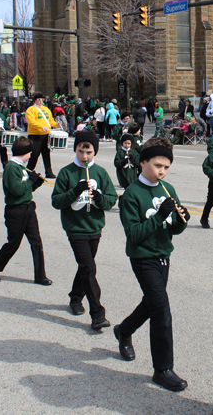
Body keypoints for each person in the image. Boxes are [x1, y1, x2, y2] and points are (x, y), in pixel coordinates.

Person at [116, 137, 190, 392]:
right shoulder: (131, 195)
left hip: (163, 254)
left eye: (166, 167)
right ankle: (163, 369)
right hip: (143, 257)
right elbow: (134, 234)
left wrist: (181, 219)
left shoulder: (166, 188)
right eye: (157, 165)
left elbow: (176, 230)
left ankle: (124, 330)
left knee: (150, 304)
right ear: (143, 162)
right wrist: (160, 215)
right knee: (161, 310)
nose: (162, 171)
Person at [51, 131, 118, 330]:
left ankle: (75, 297)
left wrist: (99, 198)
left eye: (88, 152)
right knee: (89, 268)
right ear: (76, 150)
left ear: (94, 152)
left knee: (84, 267)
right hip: (75, 228)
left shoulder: (101, 173)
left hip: (95, 227)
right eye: (81, 151)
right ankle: (97, 313)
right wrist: (75, 191)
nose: (84, 156)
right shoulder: (66, 172)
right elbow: (56, 201)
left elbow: (111, 200)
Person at [0, 136, 52, 285]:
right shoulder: (11, 168)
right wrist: (31, 180)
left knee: (36, 242)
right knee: (13, 243)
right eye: (30, 153)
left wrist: (36, 183)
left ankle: (40, 275)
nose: (31, 156)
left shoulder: (21, 166)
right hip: (15, 210)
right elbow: (16, 190)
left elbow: (26, 191)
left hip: (28, 207)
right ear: (26, 152)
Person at [25, 92, 58, 178]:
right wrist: (41, 126)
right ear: (35, 100)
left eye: (42, 100)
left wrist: (55, 124)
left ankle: (49, 172)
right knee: (35, 154)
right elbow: (31, 121)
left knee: (46, 154)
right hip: (35, 135)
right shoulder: (30, 110)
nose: (40, 101)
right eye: (38, 99)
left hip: (46, 135)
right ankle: (28, 170)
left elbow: (50, 120)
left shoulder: (46, 109)